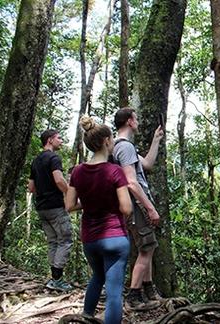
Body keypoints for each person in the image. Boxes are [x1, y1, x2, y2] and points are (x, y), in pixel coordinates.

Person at [66, 116, 132, 323]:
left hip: (90, 239)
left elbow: (69, 206)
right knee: (114, 293)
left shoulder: (77, 172)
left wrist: (91, 201)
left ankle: (86, 317)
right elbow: (126, 208)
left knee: (97, 276)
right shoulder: (115, 171)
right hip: (115, 238)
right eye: (112, 139)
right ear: (106, 141)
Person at [112, 107, 163, 311]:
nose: (138, 122)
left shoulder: (122, 146)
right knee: (147, 249)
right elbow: (132, 183)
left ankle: (149, 291)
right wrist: (150, 208)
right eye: (136, 118)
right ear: (129, 122)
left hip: (133, 205)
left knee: (147, 247)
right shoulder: (124, 147)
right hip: (136, 205)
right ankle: (134, 295)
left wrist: (156, 139)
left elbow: (148, 164)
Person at [28, 129, 73, 292]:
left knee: (53, 241)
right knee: (65, 239)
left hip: (41, 208)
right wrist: (69, 192)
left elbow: (31, 187)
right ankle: (57, 280)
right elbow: (59, 180)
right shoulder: (53, 158)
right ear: (50, 140)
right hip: (55, 207)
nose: (61, 141)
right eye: (59, 138)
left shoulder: (36, 160)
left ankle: (55, 279)